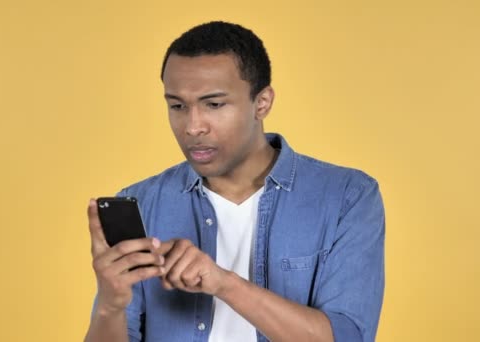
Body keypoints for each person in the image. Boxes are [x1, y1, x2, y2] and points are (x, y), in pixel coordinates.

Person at [85, 21, 384, 342]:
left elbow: (347, 337)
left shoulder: (347, 197)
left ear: (262, 103)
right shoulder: (143, 203)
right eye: (177, 106)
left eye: (213, 104)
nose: (192, 126)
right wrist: (110, 306)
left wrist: (223, 283)